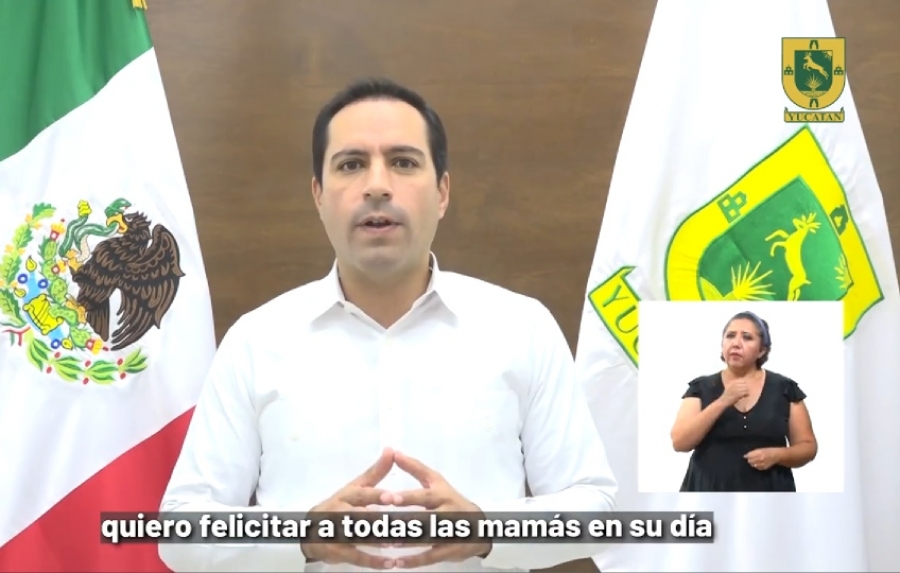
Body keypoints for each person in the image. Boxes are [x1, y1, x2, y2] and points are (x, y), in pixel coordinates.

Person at [158, 78, 617, 572]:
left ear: (442, 193)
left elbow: (598, 511)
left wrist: (487, 529)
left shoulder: (522, 329)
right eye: (351, 164)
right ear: (318, 195)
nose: (377, 185)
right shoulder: (256, 341)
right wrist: (299, 536)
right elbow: (180, 532)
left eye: (403, 162)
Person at [670, 311, 818, 492]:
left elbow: (808, 447)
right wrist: (723, 401)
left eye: (747, 337)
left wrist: (778, 455)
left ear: (762, 350)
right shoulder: (700, 387)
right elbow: (680, 442)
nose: (736, 343)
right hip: (708, 491)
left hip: (770, 492)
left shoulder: (784, 389)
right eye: (730, 336)